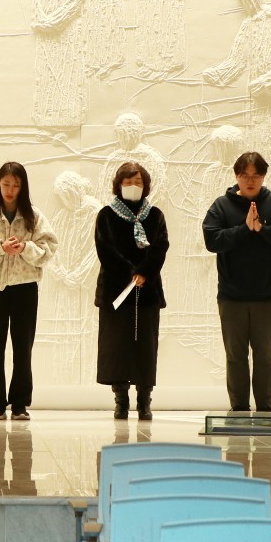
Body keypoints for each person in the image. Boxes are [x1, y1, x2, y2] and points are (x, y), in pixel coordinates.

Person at [202, 152, 271, 413]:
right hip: (231, 297)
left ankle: (266, 410)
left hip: (267, 296)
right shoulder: (221, 205)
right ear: (236, 176)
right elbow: (212, 240)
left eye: (256, 175)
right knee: (235, 357)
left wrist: (262, 229)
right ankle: (239, 410)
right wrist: (244, 229)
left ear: (263, 176)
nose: (250, 180)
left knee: (265, 357)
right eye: (245, 175)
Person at [0, 162, 58, 420]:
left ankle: (20, 405)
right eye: (6, 184)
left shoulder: (33, 216)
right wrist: (0, 247)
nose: (10, 190)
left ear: (23, 187)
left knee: (23, 348)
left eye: (16, 185)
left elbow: (48, 249)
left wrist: (25, 248)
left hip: (25, 289)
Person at [95, 162, 169, 420]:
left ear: (145, 185)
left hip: (147, 291)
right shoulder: (106, 215)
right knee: (117, 347)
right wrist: (130, 273)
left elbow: (160, 247)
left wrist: (144, 272)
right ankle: (121, 400)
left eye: (138, 182)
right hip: (116, 292)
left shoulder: (155, 215)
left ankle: (144, 401)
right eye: (128, 182)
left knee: (145, 346)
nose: (133, 186)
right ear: (118, 185)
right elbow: (105, 249)